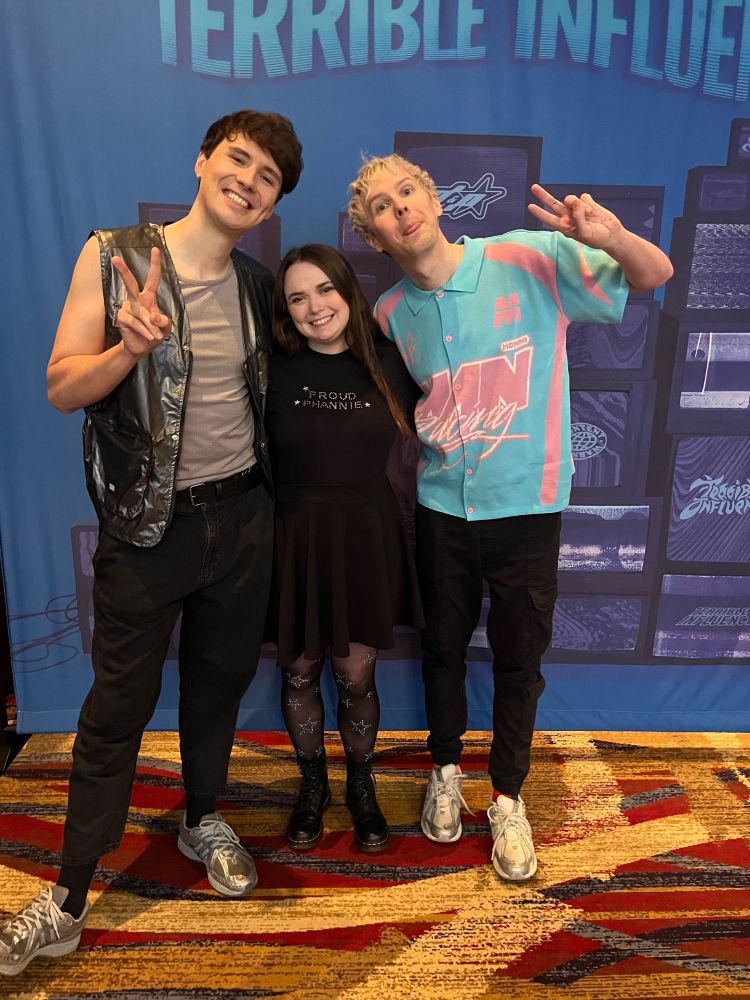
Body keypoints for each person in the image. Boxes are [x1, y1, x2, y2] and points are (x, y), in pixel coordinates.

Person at [0, 109, 303, 977]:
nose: (247, 181)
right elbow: (63, 386)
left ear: (273, 202)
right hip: (145, 529)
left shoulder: (257, 284)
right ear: (203, 161)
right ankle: (67, 897)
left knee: (217, 689)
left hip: (242, 523)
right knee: (115, 712)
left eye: (268, 177)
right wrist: (127, 350)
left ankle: (200, 817)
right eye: (237, 159)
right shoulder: (114, 256)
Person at [347, 154, 673, 881]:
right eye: (382, 207)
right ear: (373, 236)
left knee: (520, 661)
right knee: (441, 650)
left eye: (408, 192)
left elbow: (654, 275)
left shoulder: (526, 255)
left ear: (435, 200)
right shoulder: (389, 313)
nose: (401, 209)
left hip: (527, 510)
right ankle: (443, 772)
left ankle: (507, 796)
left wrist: (615, 238)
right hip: (441, 509)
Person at [266, 244, 423, 853]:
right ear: (285, 310)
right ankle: (313, 786)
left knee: (357, 677)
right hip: (294, 538)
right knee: (299, 671)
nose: (314, 307)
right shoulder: (272, 366)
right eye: (297, 298)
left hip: (364, 536)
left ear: (347, 290)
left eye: (324, 290)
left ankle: (361, 784)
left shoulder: (389, 361)